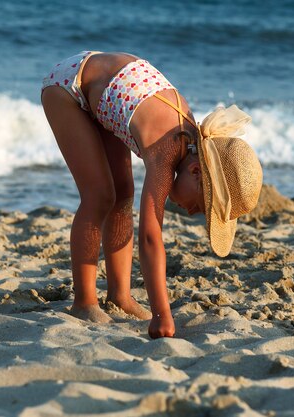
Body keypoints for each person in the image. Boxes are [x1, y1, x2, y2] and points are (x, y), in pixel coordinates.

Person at [41, 51, 262, 338]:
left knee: (122, 196)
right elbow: (150, 236)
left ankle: (119, 296)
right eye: (201, 204)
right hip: (69, 88)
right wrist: (162, 313)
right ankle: (83, 302)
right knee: (99, 196)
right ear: (195, 171)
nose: (193, 212)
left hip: (105, 98)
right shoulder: (168, 149)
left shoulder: (190, 138)